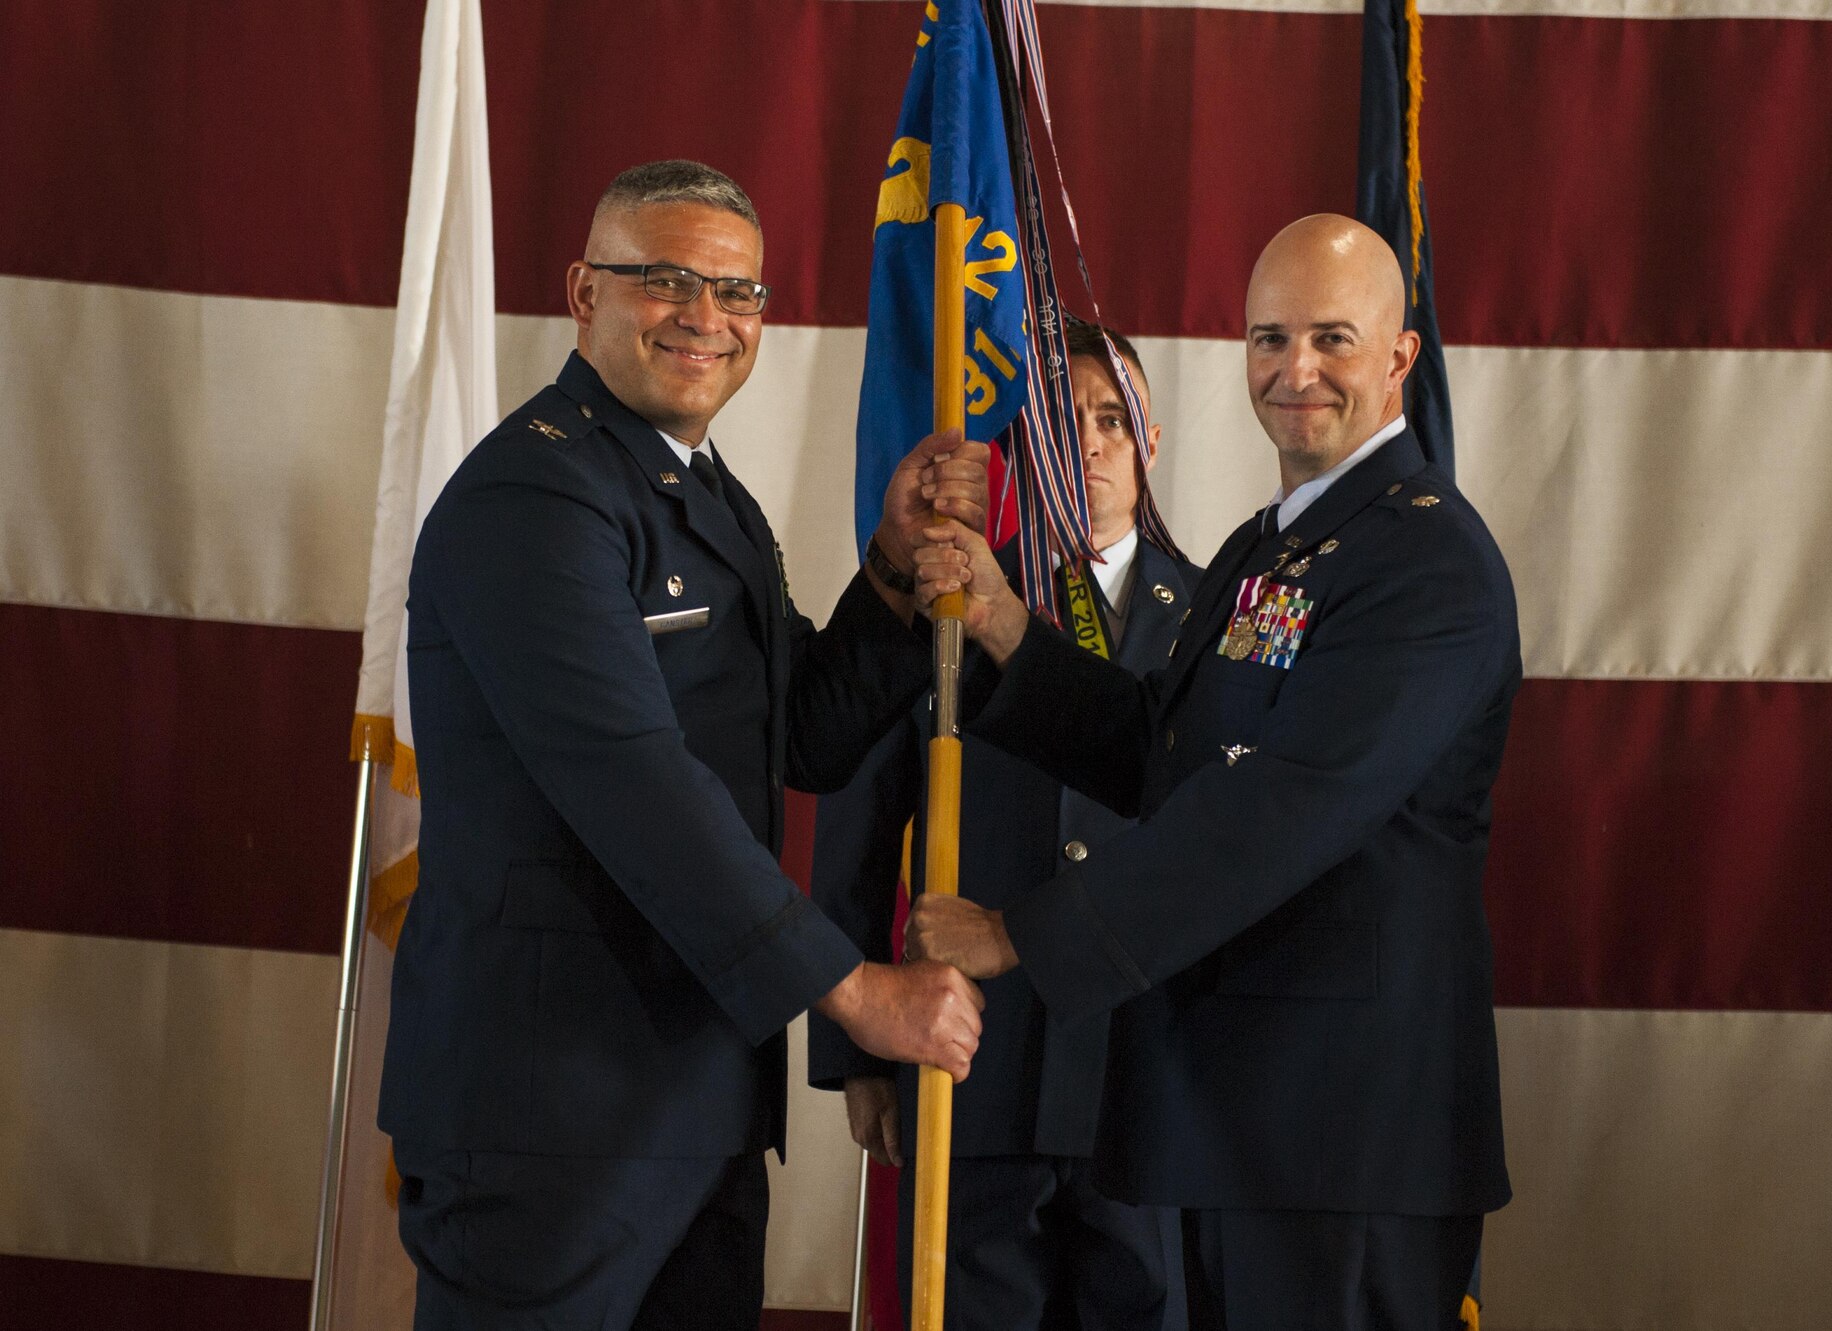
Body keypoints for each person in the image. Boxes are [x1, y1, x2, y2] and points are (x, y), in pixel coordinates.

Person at [378, 160, 990, 1331]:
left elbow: (797, 733)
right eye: (664, 280)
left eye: (738, 291)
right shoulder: (537, 496)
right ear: (582, 292)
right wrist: (855, 990)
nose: (705, 316)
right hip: (549, 1110)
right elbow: (636, 783)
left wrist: (895, 568)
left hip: (693, 1093)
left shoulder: (699, 493)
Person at [905, 216, 1518, 1331]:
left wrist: (1021, 933)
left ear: (1399, 357)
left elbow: (1279, 810)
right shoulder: (1268, 546)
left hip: (1343, 1135)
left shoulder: (1427, 561)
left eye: (1331, 338)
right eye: (1267, 337)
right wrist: (1007, 630)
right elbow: (1164, 748)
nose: (1294, 370)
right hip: (1238, 1110)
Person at [809, 320, 1199, 1331]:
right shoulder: (951, 596)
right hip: (972, 1065)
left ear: (1150, 442)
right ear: (1026, 455)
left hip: (1142, 1078)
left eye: (1114, 419)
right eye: (1065, 425)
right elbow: (857, 813)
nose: (1095, 443)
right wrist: (855, 1053)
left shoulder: (1215, 622)